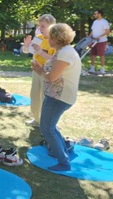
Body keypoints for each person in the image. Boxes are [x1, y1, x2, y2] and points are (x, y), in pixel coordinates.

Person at [31, 23, 81, 171]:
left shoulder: (65, 53)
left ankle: (63, 162)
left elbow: (52, 77)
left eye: (50, 36)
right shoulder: (64, 51)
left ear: (55, 38)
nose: (47, 38)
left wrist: (40, 71)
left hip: (59, 97)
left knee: (47, 128)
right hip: (57, 96)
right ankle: (61, 153)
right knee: (50, 127)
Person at [22, 14, 56, 127]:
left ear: (51, 26)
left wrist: (41, 52)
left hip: (48, 72)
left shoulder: (55, 41)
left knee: (46, 98)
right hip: (36, 70)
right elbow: (27, 52)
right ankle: (36, 119)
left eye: (43, 26)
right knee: (35, 95)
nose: (40, 29)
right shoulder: (39, 38)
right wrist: (26, 46)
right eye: (39, 26)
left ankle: (47, 123)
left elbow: (55, 60)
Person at [88, 9, 110, 75]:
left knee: (101, 55)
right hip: (93, 40)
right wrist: (88, 39)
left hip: (101, 41)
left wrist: (99, 36)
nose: (94, 15)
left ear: (99, 14)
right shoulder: (95, 22)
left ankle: (102, 69)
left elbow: (107, 32)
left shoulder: (104, 22)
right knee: (92, 54)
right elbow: (92, 31)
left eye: (95, 14)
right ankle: (92, 68)